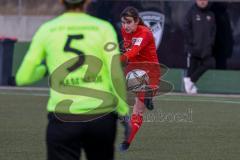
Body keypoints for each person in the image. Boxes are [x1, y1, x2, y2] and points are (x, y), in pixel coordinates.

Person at [16, 0, 129, 160]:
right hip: (101, 118)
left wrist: (44, 70)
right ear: (87, 1)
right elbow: (115, 73)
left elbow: (22, 78)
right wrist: (123, 112)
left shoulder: (47, 29)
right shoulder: (103, 28)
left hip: (63, 119)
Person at [119, 6, 160, 151]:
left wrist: (119, 58)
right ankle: (126, 142)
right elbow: (129, 50)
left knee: (138, 109)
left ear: (137, 21)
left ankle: (126, 142)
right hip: (136, 69)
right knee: (138, 106)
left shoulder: (145, 32)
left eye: (129, 22)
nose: (125, 26)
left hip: (150, 71)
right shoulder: (124, 30)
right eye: (123, 23)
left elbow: (134, 50)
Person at [183, 0, 216, 94]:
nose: (202, 2)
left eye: (204, 0)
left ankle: (190, 81)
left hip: (206, 48)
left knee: (210, 63)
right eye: (200, 0)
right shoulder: (191, 12)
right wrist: (191, 42)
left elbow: (213, 30)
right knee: (192, 67)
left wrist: (211, 43)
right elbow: (186, 28)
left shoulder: (211, 14)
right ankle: (189, 84)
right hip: (193, 47)